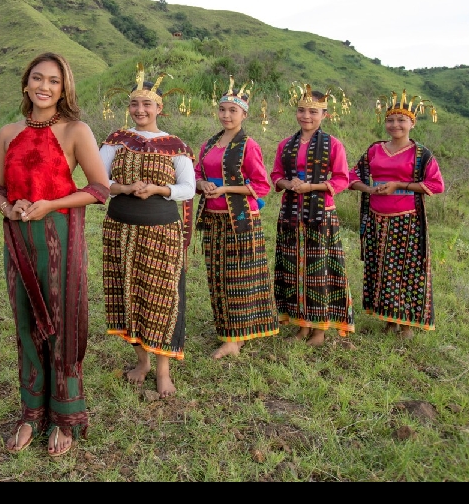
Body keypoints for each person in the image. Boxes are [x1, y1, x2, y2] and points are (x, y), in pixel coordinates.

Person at [0, 51, 109, 458]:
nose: (44, 86)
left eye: (53, 81)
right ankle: (30, 412)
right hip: (19, 235)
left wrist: (50, 205)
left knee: (63, 322)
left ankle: (64, 415)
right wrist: (10, 208)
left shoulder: (77, 131)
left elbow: (98, 189)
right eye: (37, 78)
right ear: (25, 83)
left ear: (64, 87)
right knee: (25, 321)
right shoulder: (7, 132)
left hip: (60, 234)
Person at [100, 68, 195, 397]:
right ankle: (141, 362)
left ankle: (163, 370)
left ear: (159, 110)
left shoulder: (175, 146)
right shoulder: (116, 141)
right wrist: (125, 187)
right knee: (130, 295)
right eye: (135, 104)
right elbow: (99, 181)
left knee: (163, 296)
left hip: (161, 231)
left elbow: (188, 188)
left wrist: (158, 189)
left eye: (147, 105)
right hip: (121, 230)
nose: (140, 110)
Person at [195, 77, 281, 359]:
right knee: (218, 276)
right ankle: (227, 329)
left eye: (233, 111)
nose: (227, 115)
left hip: (240, 220)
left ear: (244, 114)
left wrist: (225, 188)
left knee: (239, 277)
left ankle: (235, 339)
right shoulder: (209, 144)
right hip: (214, 219)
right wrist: (202, 185)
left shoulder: (248, 145)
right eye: (222, 109)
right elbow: (197, 173)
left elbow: (261, 186)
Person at [348, 91, 445, 339]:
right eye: (391, 120)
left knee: (407, 271)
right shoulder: (374, 150)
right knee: (380, 267)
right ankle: (388, 319)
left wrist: (398, 186)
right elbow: (352, 177)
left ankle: (407, 324)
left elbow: (435, 185)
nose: (395, 125)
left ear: (412, 123)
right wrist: (369, 188)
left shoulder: (421, 154)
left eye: (402, 120)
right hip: (376, 219)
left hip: (407, 221)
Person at [270, 84, 355, 346]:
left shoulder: (333, 145)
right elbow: (275, 175)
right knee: (294, 268)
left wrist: (312, 187)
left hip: (321, 216)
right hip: (292, 214)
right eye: (302, 110)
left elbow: (342, 179)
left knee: (322, 271)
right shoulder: (286, 144)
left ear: (324, 115)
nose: (306, 116)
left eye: (313, 112)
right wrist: (289, 184)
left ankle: (320, 329)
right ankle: (301, 324)